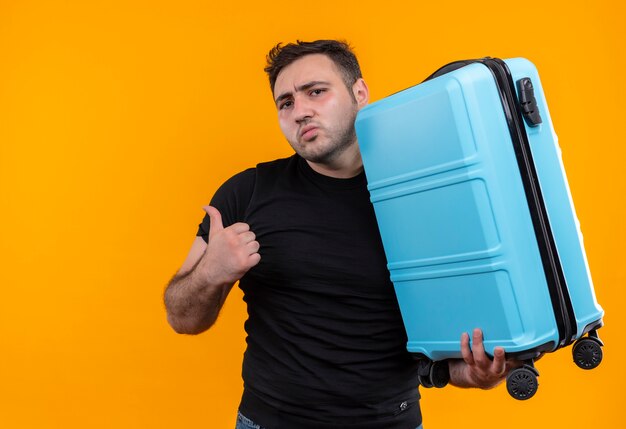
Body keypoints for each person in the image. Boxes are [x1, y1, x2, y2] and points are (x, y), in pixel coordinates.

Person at [164, 40, 519, 429]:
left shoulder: (423, 192)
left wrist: (469, 373)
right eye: (286, 103)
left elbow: (446, 332)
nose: (300, 112)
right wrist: (211, 272)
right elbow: (182, 316)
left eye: (316, 91)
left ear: (360, 94)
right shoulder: (245, 193)